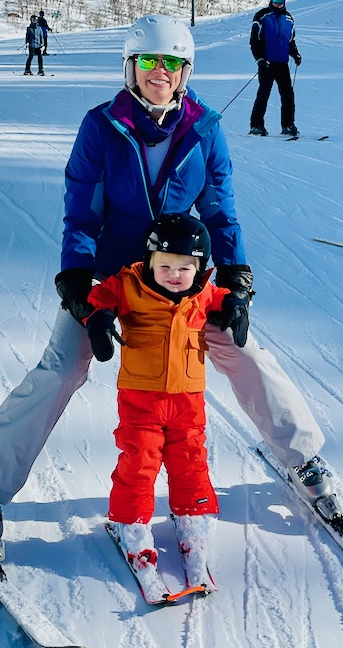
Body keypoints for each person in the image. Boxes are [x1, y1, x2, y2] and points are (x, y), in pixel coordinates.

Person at [0, 13, 334, 564]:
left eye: (173, 63)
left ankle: (301, 457)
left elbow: (220, 210)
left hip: (180, 279)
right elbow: (80, 213)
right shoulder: (102, 126)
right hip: (111, 278)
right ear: (131, 66)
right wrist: (80, 285)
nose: (161, 72)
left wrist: (235, 279)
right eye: (150, 61)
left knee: (240, 348)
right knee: (61, 368)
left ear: (186, 71)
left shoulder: (205, 128)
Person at [86, 214, 244, 584]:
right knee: (140, 461)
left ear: (200, 267)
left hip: (188, 400)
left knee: (191, 461)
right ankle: (131, 525)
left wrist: (234, 305)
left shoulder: (203, 292)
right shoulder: (130, 285)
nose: (174, 274)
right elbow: (102, 294)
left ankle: (192, 520)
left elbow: (220, 296)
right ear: (149, 262)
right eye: (165, 266)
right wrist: (99, 316)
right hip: (141, 400)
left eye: (185, 267)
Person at [249, 0, 302, 137]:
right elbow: (254, 40)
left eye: (281, 0)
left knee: (288, 94)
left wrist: (295, 54)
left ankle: (288, 125)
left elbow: (290, 40)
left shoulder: (289, 19)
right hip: (267, 62)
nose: (278, 3)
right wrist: (259, 58)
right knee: (264, 93)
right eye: (275, 0)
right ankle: (256, 125)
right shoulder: (262, 16)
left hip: (282, 63)